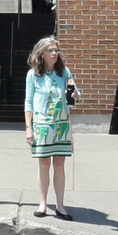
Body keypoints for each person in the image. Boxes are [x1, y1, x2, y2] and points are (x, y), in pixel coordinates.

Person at [25, 36, 78, 219]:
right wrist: (28, 128)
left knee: (60, 163)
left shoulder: (64, 72)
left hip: (61, 123)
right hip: (42, 124)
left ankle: (61, 205)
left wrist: (74, 92)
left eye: (56, 50)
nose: (55, 53)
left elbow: (74, 97)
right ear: (41, 53)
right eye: (51, 50)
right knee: (44, 163)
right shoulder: (33, 74)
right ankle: (42, 203)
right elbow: (28, 102)